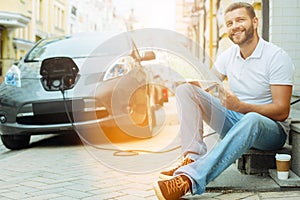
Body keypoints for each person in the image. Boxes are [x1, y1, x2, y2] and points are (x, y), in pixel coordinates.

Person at [153, 2, 294, 199]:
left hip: (270, 130)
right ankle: (192, 158)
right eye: (229, 23)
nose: (234, 26)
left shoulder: (276, 57)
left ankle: (190, 180)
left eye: (240, 20)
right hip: (237, 119)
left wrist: (242, 107)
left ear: (255, 22)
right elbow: (208, 85)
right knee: (186, 91)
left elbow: (282, 111)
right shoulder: (228, 56)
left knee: (251, 119)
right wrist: (192, 84)